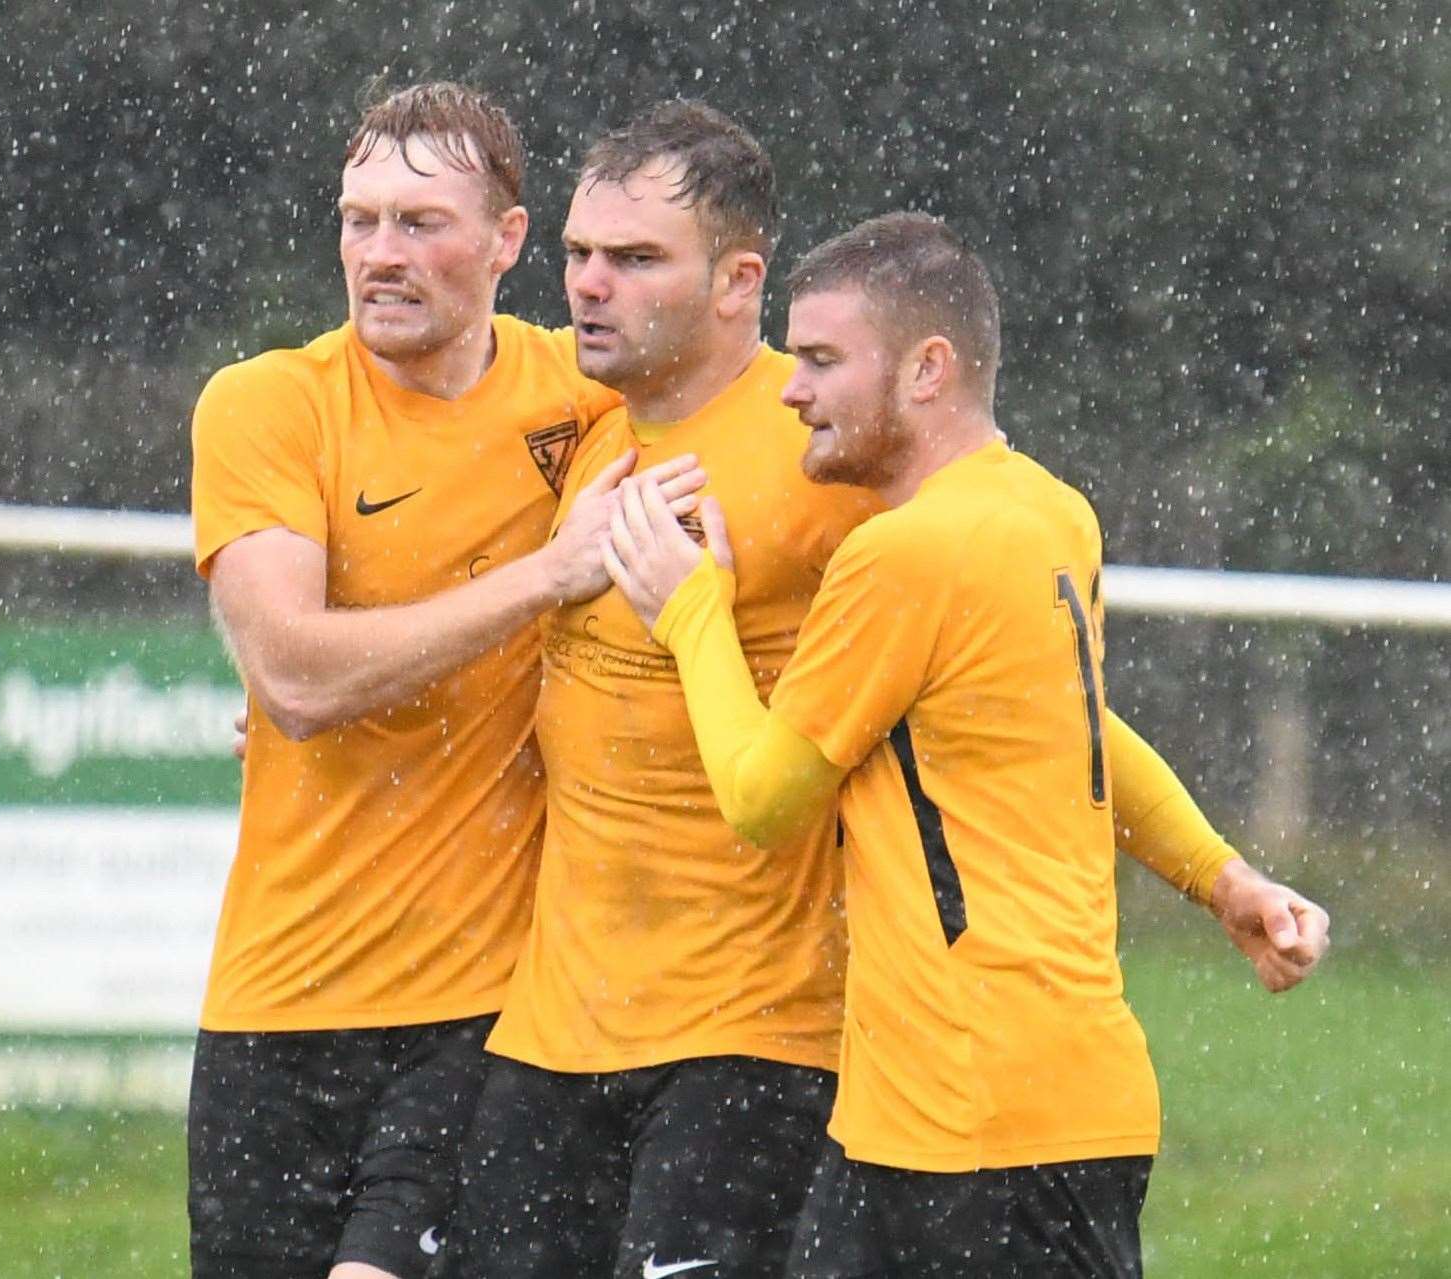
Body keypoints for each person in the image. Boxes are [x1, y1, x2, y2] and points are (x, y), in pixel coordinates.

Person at [440, 104, 1322, 1279]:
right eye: (577, 255)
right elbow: (1056, 723)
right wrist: (1222, 876)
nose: (591, 285)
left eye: (635, 257)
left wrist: (687, 605)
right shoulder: (586, 430)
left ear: (733, 280)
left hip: (846, 1057)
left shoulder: (863, 505)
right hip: (644, 1051)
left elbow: (788, 789)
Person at [187, 81, 703, 1279]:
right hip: (274, 1006)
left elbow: (766, 439)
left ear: (509, 241)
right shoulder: (267, 405)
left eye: (419, 222)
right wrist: (544, 578)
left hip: (484, 1012)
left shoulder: (586, 403)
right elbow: (296, 675)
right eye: (358, 220)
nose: (379, 253)